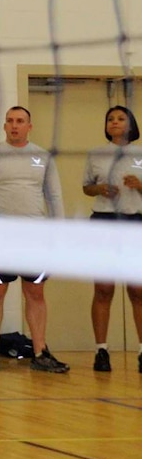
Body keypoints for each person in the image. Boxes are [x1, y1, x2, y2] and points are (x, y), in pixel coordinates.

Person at [0, 106, 68, 374]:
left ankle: (39, 353)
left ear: (29, 126)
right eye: (10, 121)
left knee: (35, 293)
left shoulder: (43, 157)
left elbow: (54, 197)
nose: (15, 126)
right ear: (4, 126)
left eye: (20, 121)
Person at [83, 104, 142, 373]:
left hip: (134, 224)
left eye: (120, 118)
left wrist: (140, 185)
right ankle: (102, 350)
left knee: (137, 290)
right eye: (110, 119)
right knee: (104, 289)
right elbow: (87, 187)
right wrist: (100, 188)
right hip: (104, 223)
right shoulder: (95, 154)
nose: (115, 122)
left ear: (131, 125)